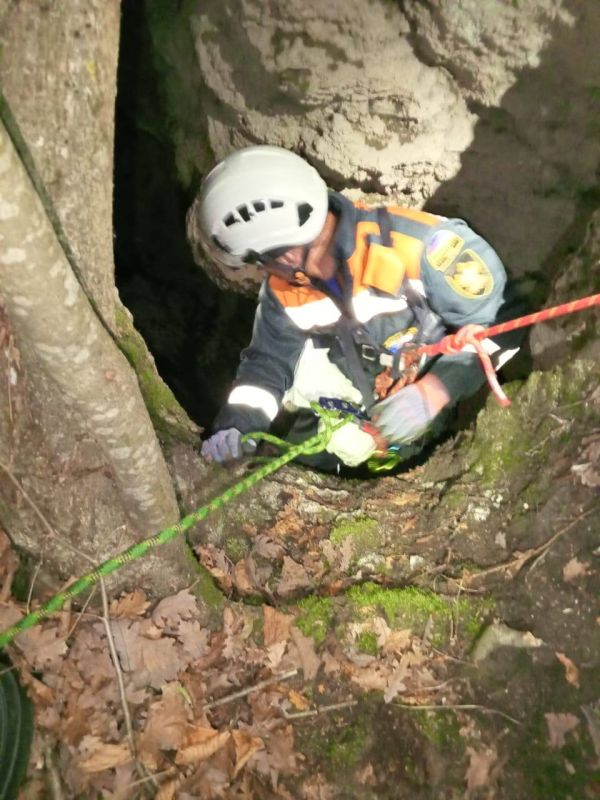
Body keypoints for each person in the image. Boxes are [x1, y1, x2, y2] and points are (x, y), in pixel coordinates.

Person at [190, 145, 522, 471]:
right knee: (300, 459)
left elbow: (505, 321)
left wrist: (437, 389)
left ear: (288, 255)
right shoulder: (285, 291)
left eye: (260, 260)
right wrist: (237, 426)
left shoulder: (418, 249)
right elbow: (267, 366)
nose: (262, 272)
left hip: (424, 399)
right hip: (350, 400)